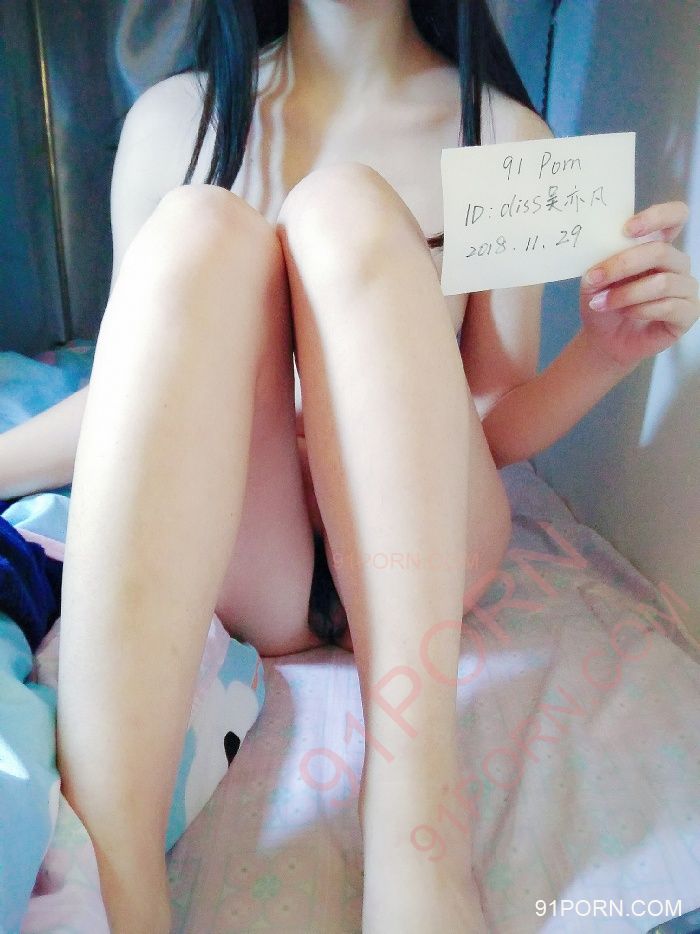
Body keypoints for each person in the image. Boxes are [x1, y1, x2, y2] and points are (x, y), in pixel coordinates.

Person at [1, 1, 697, 931]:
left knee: (344, 208)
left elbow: (490, 409)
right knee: (195, 231)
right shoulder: (173, 122)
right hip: (254, 558)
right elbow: (138, 396)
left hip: (428, 545)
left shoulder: (503, 135)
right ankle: (113, 867)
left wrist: (604, 354)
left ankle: (419, 831)